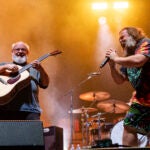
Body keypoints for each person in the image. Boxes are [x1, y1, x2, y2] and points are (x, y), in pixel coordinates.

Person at [105, 27, 150, 147]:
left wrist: (117, 58)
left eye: (122, 37)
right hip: (141, 99)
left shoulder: (145, 43)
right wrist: (112, 66)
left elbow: (139, 60)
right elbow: (119, 80)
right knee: (129, 125)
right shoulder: (127, 57)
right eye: (119, 39)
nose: (121, 41)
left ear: (133, 35)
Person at [0, 41, 49, 120]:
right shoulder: (4, 65)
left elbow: (45, 84)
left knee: (32, 132)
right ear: (12, 52)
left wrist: (41, 69)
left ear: (27, 53)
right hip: (5, 110)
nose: (20, 51)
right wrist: (5, 66)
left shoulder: (36, 69)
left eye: (23, 49)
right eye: (17, 49)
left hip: (31, 111)